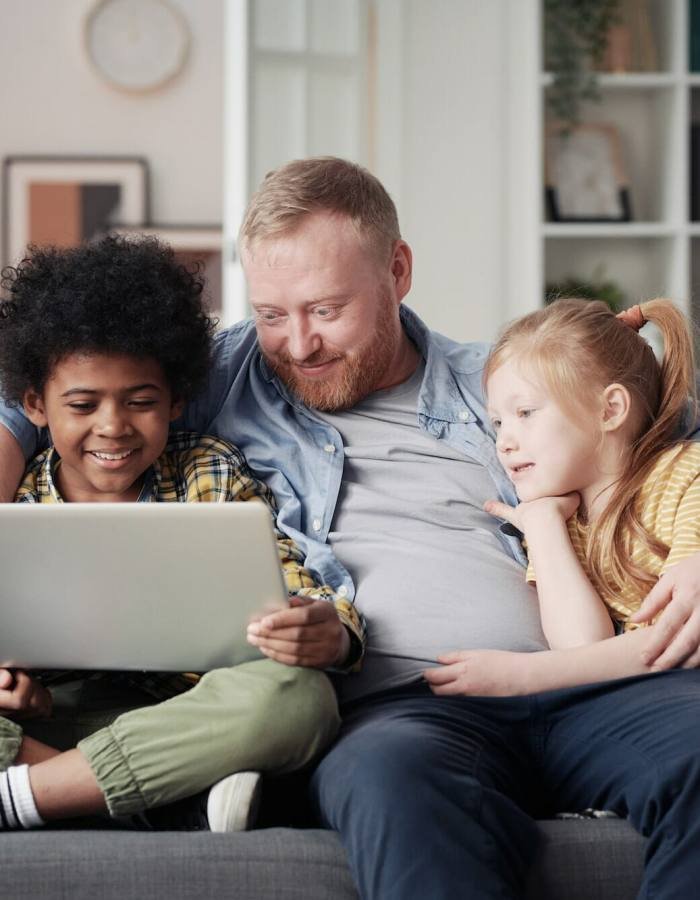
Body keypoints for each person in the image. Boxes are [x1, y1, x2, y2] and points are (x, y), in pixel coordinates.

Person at [1, 159, 700, 896]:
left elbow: (667, 435)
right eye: (273, 315)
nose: (299, 345)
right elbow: (65, 384)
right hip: (400, 712)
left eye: (326, 310)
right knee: (392, 786)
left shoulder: (497, 383)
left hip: (584, 684)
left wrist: (695, 548)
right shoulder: (213, 380)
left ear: (397, 272)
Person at [0, 236, 363, 833]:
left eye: (140, 401)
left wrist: (324, 625)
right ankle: (163, 803)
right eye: (83, 404)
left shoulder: (208, 470)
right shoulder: (14, 497)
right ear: (36, 405)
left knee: (299, 697)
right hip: (57, 720)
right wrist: (15, 689)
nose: (112, 427)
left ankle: (37, 794)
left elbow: (290, 582)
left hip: (188, 718)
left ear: (176, 400)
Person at [422, 297, 700, 698]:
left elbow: (677, 639)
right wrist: (543, 527)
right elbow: (584, 649)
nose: (504, 442)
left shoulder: (684, 477)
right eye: (498, 422)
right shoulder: (561, 522)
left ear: (610, 410)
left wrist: (525, 674)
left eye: (526, 413)